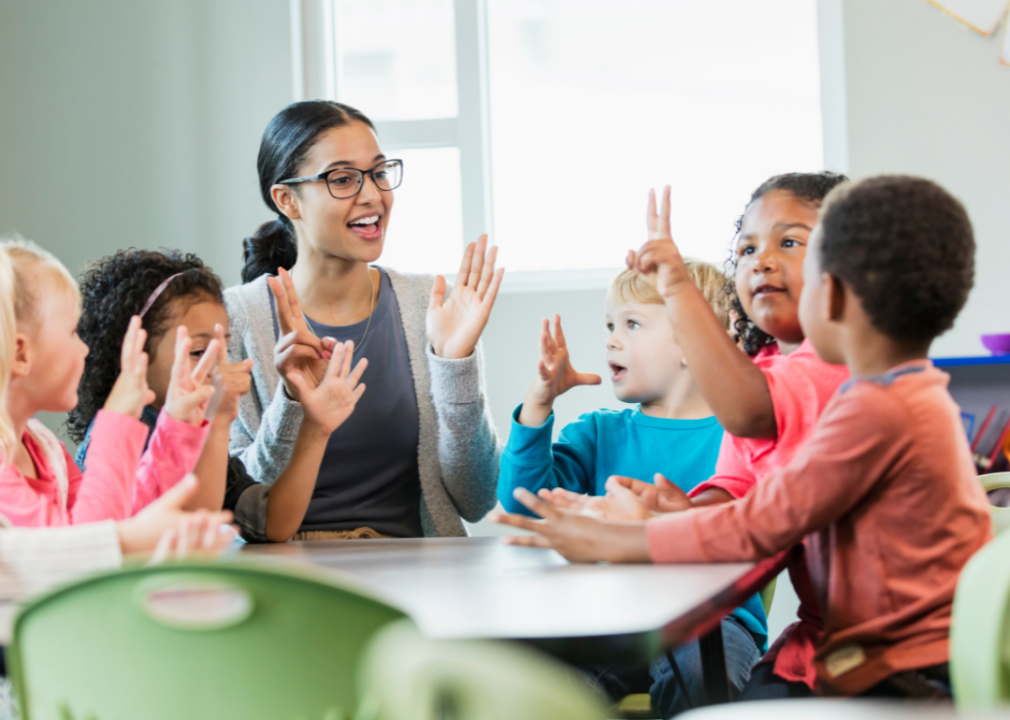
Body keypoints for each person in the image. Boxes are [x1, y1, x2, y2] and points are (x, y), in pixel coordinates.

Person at [491, 174, 991, 700]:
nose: (762, 267)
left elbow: (765, 522)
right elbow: (766, 514)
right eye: (747, 249)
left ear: (836, 292)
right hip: (876, 651)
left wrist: (619, 540)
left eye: (804, 259)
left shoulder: (874, 410)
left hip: (904, 668)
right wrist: (681, 516)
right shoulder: (898, 396)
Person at [498, 263, 766, 715]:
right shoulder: (598, 432)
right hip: (601, 615)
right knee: (538, 683)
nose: (611, 340)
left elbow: (752, 530)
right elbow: (524, 506)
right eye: (610, 325)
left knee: (706, 678)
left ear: (692, 343)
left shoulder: (740, 440)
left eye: (632, 324)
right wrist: (540, 402)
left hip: (711, 620)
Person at [227, 100, 502, 540]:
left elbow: (476, 499)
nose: (372, 195)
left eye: (378, 172)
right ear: (287, 200)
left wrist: (456, 367)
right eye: (342, 179)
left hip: (421, 575)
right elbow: (240, 511)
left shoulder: (426, 305)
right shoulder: (235, 319)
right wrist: (293, 404)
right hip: (293, 581)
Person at [69, 250, 368, 541]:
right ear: (135, 354)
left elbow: (272, 524)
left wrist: (316, 428)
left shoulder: (200, 427)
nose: (218, 366)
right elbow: (187, 535)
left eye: (224, 348)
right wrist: (219, 421)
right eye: (199, 351)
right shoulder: (115, 440)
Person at [0, 239, 213, 526]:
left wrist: (175, 426)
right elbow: (85, 550)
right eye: (72, 331)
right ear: (20, 353)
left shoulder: (45, 448)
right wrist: (116, 423)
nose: (84, 348)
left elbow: (119, 521)